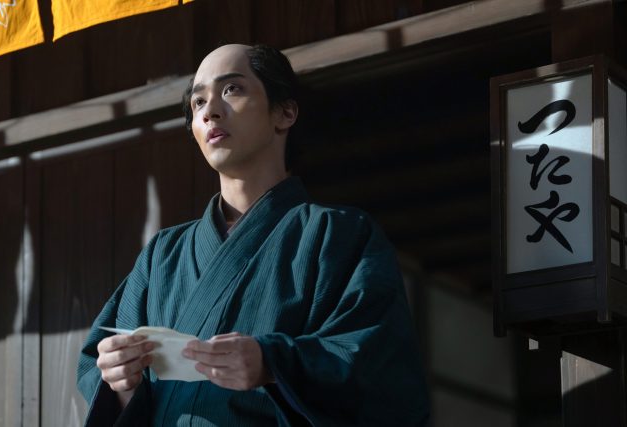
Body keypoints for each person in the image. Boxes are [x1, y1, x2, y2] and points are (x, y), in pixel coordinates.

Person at [77, 43, 429, 426]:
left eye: (232, 89)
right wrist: (120, 380)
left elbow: (379, 369)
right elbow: (99, 368)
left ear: (284, 112)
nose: (210, 111)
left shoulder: (340, 235)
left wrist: (272, 363)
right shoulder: (163, 254)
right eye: (198, 102)